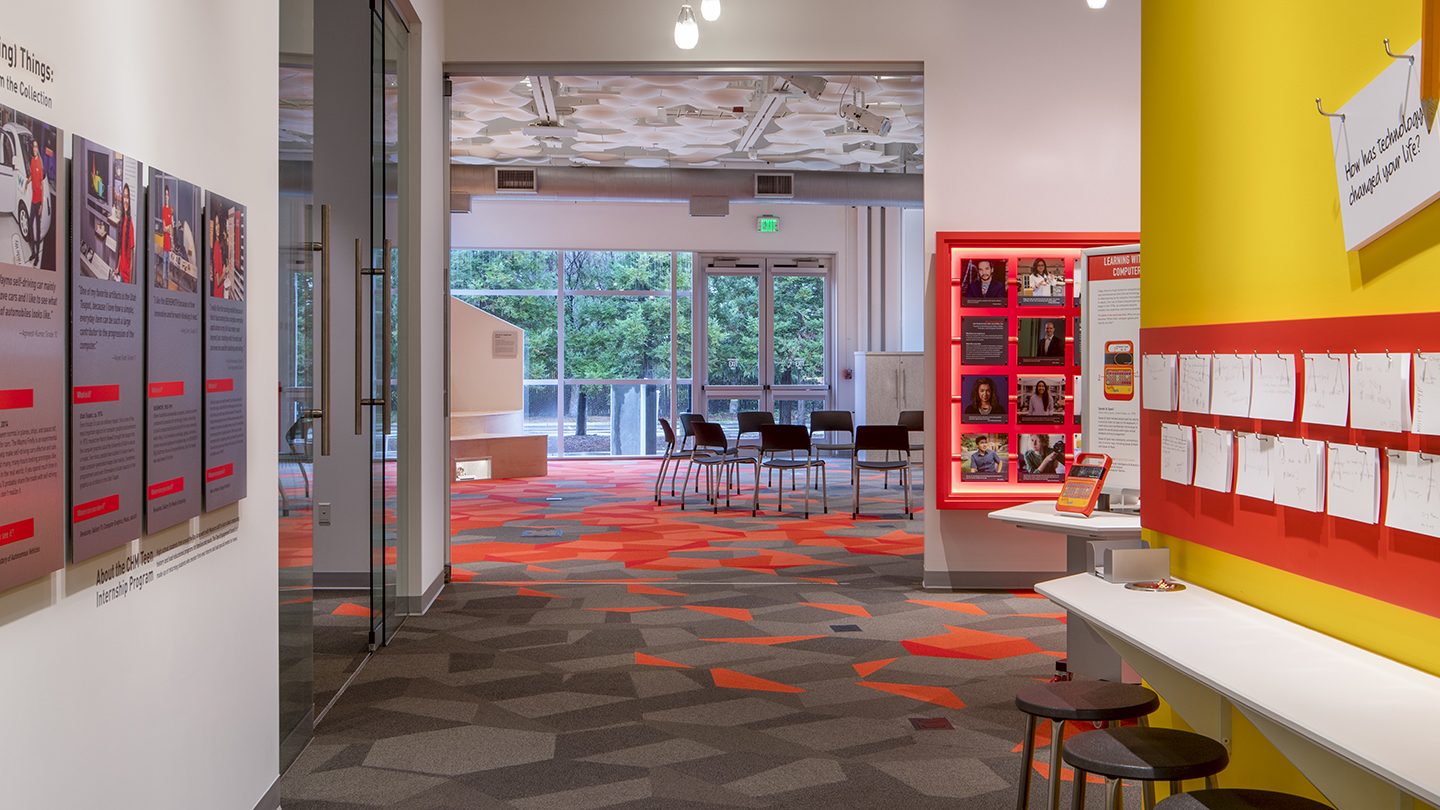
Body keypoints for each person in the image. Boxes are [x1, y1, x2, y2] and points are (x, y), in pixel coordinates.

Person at [25, 140, 44, 265]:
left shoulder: (39, 164)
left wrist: (41, 204)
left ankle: (37, 256)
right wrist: (27, 181)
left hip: (38, 201)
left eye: (36, 146)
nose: (35, 148)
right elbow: (32, 175)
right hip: (33, 200)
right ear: (32, 148)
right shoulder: (32, 161)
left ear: (38, 148)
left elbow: (41, 184)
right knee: (30, 224)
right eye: (34, 146)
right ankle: (33, 252)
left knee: (37, 228)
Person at [116, 184, 135, 284]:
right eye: (124, 197)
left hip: (126, 280)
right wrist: (117, 268)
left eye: (127, 197)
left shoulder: (130, 225)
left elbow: (131, 260)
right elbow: (121, 251)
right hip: (120, 274)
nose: (126, 200)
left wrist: (130, 285)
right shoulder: (122, 220)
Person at [160, 185, 174, 289]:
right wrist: (168, 228)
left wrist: (168, 228)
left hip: (169, 243)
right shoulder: (164, 209)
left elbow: (170, 229)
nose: (166, 196)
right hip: (165, 243)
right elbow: (164, 228)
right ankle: (163, 285)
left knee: (168, 266)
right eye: (165, 194)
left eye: (167, 194)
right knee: (164, 264)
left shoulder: (169, 211)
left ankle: (168, 286)